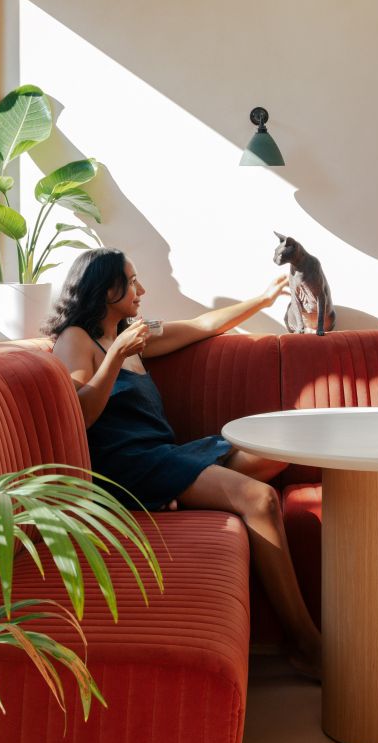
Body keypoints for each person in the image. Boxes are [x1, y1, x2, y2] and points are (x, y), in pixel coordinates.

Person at [46, 247, 322, 677]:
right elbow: (79, 415)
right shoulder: (76, 340)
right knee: (261, 500)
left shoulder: (135, 332)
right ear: (106, 288)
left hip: (164, 456)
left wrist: (263, 301)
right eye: (132, 281)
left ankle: (177, 495)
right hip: (125, 467)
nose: (142, 289)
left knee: (275, 453)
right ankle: (307, 645)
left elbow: (201, 325)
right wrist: (116, 354)